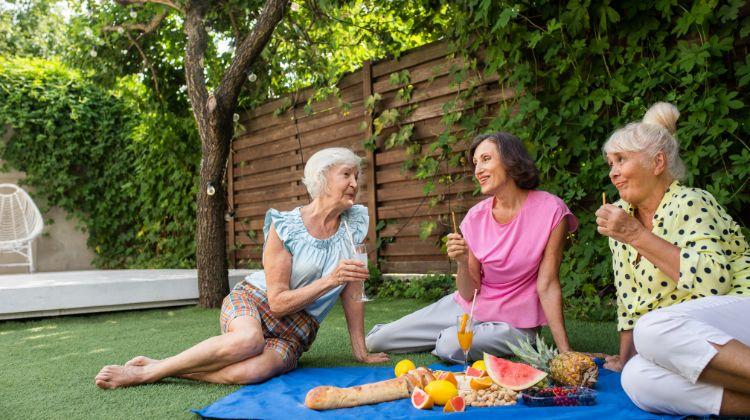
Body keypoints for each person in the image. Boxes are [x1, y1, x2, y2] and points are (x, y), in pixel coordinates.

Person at [95, 147, 388, 389]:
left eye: (356, 176)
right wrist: (330, 280)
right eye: (346, 175)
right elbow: (277, 302)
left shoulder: (354, 223)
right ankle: (145, 374)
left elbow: (352, 291)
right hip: (256, 302)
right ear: (322, 179)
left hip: (297, 330)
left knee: (250, 373)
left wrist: (360, 351)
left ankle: (162, 368)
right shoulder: (285, 227)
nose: (354, 183)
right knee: (248, 340)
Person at [366, 132, 578, 363]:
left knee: (450, 345)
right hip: (471, 307)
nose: (478, 170)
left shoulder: (552, 211)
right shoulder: (475, 218)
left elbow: (547, 285)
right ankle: (446, 336)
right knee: (376, 341)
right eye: (475, 163)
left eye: (486, 159)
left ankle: (447, 338)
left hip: (516, 323)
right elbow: (469, 292)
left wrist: (565, 351)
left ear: (511, 160)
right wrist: (461, 261)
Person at [595, 102, 750, 415]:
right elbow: (629, 303)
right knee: (638, 378)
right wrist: (625, 360)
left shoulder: (691, 202)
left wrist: (636, 235)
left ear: (657, 163)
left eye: (621, 160)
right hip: (691, 337)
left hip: (739, 311)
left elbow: (712, 283)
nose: (613, 172)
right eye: (610, 163)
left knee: (652, 329)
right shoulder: (623, 218)